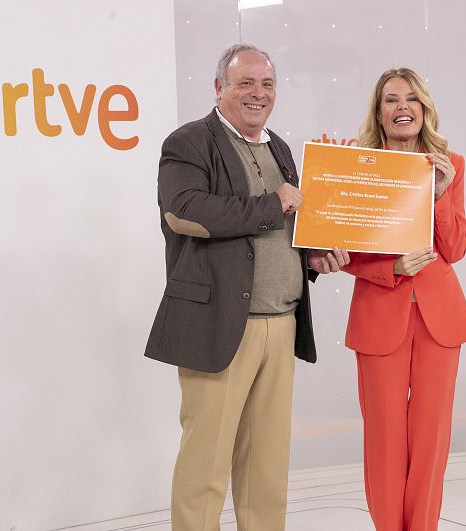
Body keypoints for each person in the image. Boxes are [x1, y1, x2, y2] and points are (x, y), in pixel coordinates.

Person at [144, 43, 348, 531]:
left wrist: (313, 257)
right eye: (246, 83)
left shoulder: (279, 147)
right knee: (206, 466)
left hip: (280, 325)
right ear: (220, 87)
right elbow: (185, 211)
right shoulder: (189, 141)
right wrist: (270, 202)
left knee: (266, 468)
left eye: (268, 84)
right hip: (218, 326)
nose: (259, 93)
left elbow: (285, 228)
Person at [342, 68, 466, 531]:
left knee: (430, 440)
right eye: (391, 100)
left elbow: (455, 249)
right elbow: (342, 256)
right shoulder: (359, 166)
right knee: (384, 438)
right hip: (380, 315)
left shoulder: (449, 164)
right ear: (378, 114)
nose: (403, 107)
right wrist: (390, 269)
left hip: (441, 320)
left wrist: (440, 195)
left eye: (412, 99)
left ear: (424, 110)